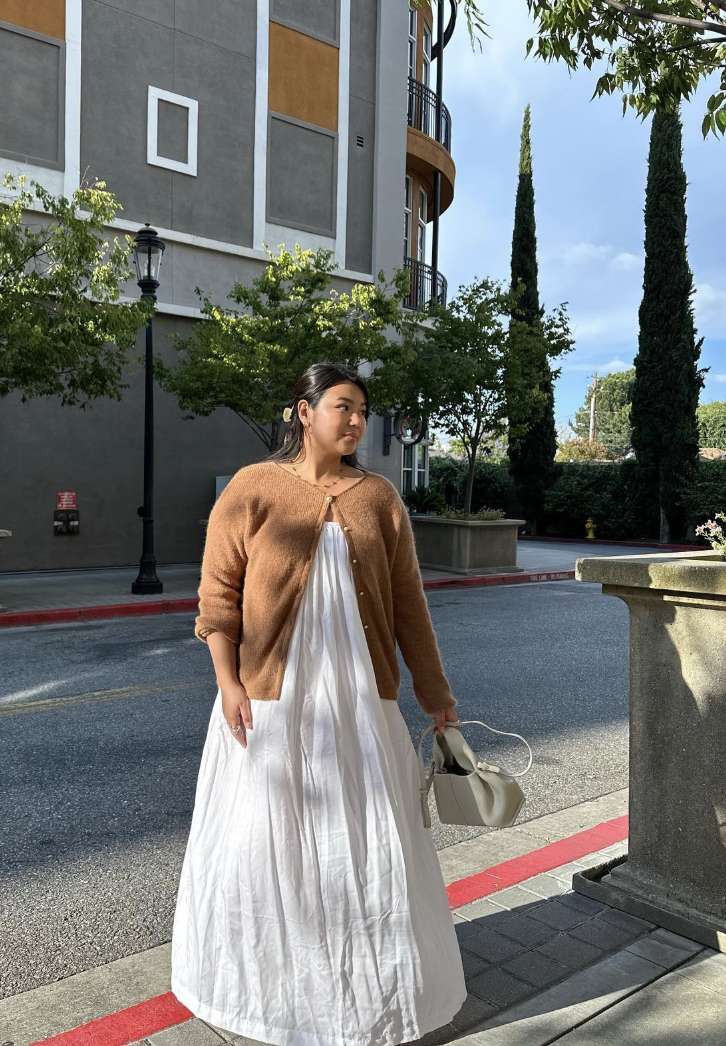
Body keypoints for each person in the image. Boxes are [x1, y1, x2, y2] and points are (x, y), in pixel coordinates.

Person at [171, 362, 468, 1045]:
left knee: (365, 840)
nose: (357, 420)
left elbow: (409, 609)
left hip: (360, 700)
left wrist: (437, 698)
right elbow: (217, 597)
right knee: (265, 838)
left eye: (363, 409)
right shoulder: (253, 488)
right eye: (343, 406)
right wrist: (228, 683)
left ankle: (367, 996)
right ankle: (268, 992)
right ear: (303, 412)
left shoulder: (380, 498)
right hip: (272, 700)